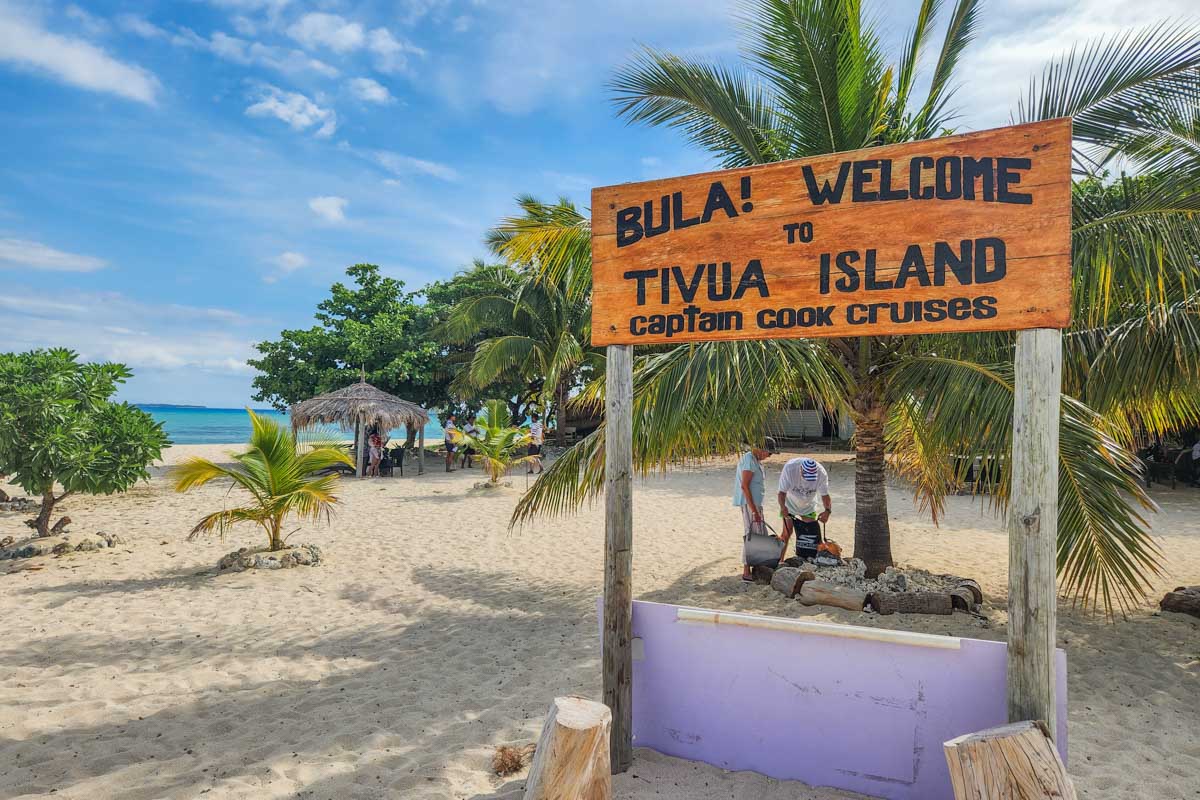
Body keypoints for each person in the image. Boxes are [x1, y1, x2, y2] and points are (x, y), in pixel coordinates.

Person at [733, 437, 778, 582]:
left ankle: (755, 568)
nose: (769, 456)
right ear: (761, 449)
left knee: (758, 535)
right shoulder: (749, 459)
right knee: (751, 535)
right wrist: (754, 510)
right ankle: (746, 571)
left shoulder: (755, 460)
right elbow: (745, 486)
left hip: (755, 504)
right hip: (750, 504)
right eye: (769, 453)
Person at [777, 456, 832, 561]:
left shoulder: (821, 473)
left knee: (811, 532)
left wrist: (827, 511)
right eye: (806, 477)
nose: (808, 481)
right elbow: (781, 493)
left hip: (808, 504)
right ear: (801, 470)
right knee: (787, 532)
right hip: (789, 503)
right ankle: (780, 561)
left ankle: (812, 560)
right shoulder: (790, 468)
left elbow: (825, 495)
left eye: (811, 478)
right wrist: (782, 507)